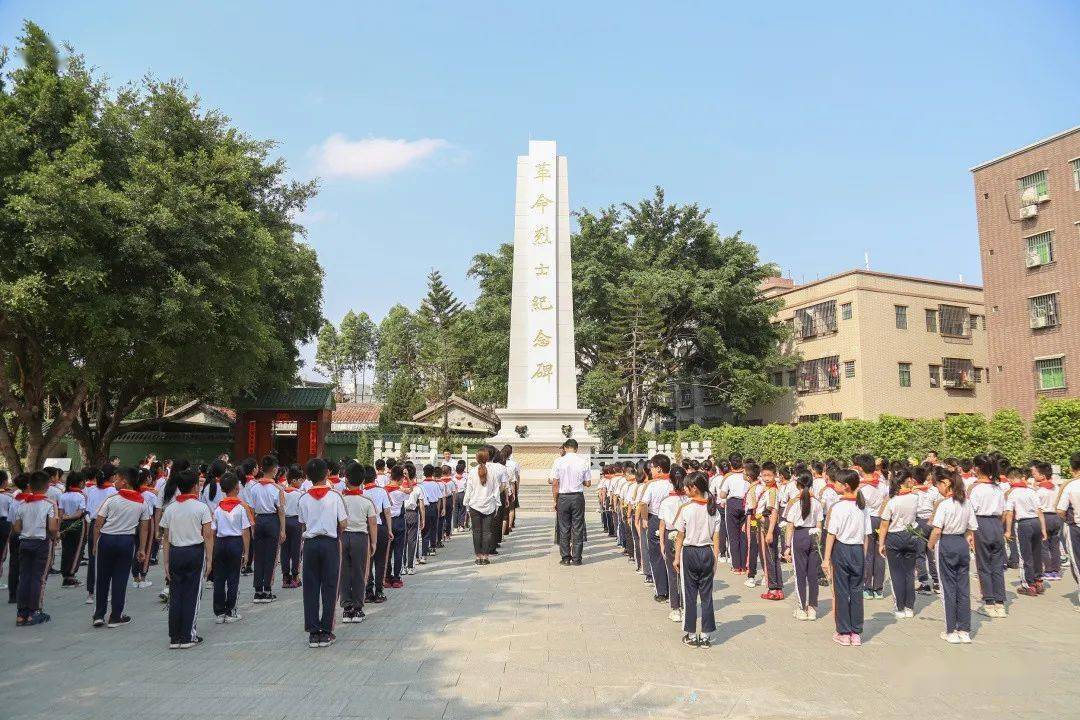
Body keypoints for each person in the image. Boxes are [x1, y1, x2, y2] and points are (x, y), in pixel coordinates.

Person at [159, 469, 213, 648]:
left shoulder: (170, 509)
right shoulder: (201, 507)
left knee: (176, 594)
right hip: (194, 552)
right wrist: (210, 559)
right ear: (195, 486)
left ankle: (175, 637)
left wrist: (166, 562)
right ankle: (188, 635)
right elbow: (208, 535)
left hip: (175, 552)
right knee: (192, 594)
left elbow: (165, 537)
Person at [92, 466, 151, 627]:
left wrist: (96, 543)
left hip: (107, 539)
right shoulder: (142, 502)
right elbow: (144, 528)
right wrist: (142, 548)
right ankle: (116, 616)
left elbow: (98, 523)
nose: (114, 482)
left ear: (124, 481)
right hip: (126, 541)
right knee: (120, 579)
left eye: (117, 479)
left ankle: (99, 615)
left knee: (102, 578)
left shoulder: (112, 499)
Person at [298, 458, 347, 648]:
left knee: (310, 588)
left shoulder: (303, 498)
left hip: (310, 544)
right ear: (327, 473)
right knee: (330, 586)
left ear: (308, 477)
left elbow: (303, 522)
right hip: (329, 544)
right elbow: (343, 523)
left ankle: (313, 632)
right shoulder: (335, 497)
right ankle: (326, 631)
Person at [927, 467, 977, 644]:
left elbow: (937, 530)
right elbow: (971, 528)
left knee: (948, 588)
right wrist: (968, 539)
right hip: (962, 544)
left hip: (947, 543)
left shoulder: (944, 505)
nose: (938, 488)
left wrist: (930, 545)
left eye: (938, 485)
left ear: (946, 483)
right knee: (963, 587)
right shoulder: (966, 503)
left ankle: (951, 630)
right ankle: (964, 629)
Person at [823, 469, 871, 647]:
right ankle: (856, 633)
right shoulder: (862, 507)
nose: (834, 484)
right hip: (858, 550)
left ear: (846, 486)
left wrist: (826, 558)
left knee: (842, 591)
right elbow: (866, 535)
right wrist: (863, 556)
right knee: (856, 591)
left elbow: (831, 534)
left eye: (837, 482)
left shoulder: (838, 507)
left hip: (841, 549)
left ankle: (843, 632)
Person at [672, 472, 721, 647]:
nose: (685, 490)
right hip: (707, 552)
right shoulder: (713, 509)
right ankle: (706, 636)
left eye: (687, 487)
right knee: (707, 596)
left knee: (690, 595)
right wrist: (715, 559)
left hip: (690, 552)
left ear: (694, 488)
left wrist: (676, 557)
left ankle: (691, 635)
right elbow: (716, 537)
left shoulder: (686, 509)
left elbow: (680, 536)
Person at [13, 471, 58, 626]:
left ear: (30, 486)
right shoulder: (50, 504)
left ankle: (21, 614)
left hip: (24, 542)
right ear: (47, 486)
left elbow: (17, 528)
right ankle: (34, 612)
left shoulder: (22, 504)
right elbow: (52, 527)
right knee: (38, 578)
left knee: (24, 577)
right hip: (41, 543)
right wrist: (55, 536)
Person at [968, 455, 1007, 617]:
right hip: (996, 524)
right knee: (997, 565)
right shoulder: (998, 488)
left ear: (977, 468)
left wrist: (970, 533)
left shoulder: (976, 489)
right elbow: (1004, 512)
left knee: (983, 564)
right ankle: (1000, 603)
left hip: (981, 524)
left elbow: (971, 512)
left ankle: (989, 603)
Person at [878, 468, 919, 620]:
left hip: (894, 536)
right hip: (911, 535)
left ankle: (900, 607)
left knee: (896, 574)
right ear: (907, 481)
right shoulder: (915, 498)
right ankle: (910, 607)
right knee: (909, 573)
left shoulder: (892, 502)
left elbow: (884, 525)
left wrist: (881, 543)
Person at [784, 470, 823, 621]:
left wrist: (787, 546)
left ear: (798, 485)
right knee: (812, 574)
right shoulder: (817, 503)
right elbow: (819, 524)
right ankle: (812, 608)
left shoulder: (794, 503)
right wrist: (818, 542)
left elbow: (790, 526)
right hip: (813, 535)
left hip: (799, 536)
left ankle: (801, 608)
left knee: (800, 574)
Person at [211, 472, 249, 624]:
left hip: (220, 543)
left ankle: (219, 613)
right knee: (233, 578)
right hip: (235, 543)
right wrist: (247, 552)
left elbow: (213, 531)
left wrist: (212, 549)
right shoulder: (240, 508)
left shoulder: (218, 509)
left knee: (219, 578)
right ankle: (230, 611)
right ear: (236, 488)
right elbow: (245, 531)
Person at [340, 467, 377, 623]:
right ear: (362, 481)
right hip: (360, 538)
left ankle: (346, 608)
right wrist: (374, 542)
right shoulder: (366, 500)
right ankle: (357, 609)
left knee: (344, 573)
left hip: (342, 537)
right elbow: (372, 523)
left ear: (346, 480)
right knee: (360, 573)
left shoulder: (340, 499)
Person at [1005, 466, 1047, 597]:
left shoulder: (1013, 493)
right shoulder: (1031, 491)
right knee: (1036, 553)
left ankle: (1028, 585)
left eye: (1009, 480)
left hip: (1023, 524)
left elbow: (1009, 513)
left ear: (1012, 479)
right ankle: (1038, 580)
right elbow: (1039, 511)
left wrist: (1008, 530)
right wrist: (1043, 529)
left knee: (1025, 555)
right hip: (1036, 522)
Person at [249, 455, 285, 603]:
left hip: (259, 520)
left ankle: (258, 591)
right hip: (272, 521)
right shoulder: (277, 488)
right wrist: (283, 529)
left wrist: (253, 526)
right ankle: (267, 590)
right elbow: (281, 510)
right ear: (275, 470)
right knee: (271, 556)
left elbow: (251, 509)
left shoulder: (254, 487)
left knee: (258, 556)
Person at [639, 454, 674, 602]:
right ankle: (674, 591)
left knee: (656, 556)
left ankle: (662, 591)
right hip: (672, 522)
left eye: (652, 467)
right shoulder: (674, 482)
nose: (651, 470)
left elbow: (643, 503)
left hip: (656, 519)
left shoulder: (652, 485)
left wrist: (644, 518)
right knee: (672, 554)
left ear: (659, 468)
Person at [551, 439, 591, 566]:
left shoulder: (558, 461)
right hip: (577, 497)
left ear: (565, 448)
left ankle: (566, 558)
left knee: (564, 528)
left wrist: (555, 500)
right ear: (576, 448)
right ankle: (577, 558)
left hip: (563, 497)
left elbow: (555, 483)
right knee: (578, 527)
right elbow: (588, 483)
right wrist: (579, 481)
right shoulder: (583, 461)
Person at [658, 465, 690, 623]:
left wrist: (662, 543)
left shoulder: (666, 501)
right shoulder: (689, 500)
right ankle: (686, 607)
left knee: (672, 573)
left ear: (670, 480)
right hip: (687, 537)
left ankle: (675, 608)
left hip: (671, 535)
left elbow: (662, 524)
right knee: (686, 574)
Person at [84, 465, 118, 605]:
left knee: (93, 559)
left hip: (93, 524)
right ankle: (106, 591)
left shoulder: (91, 489)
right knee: (108, 560)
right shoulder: (113, 491)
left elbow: (88, 509)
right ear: (112, 476)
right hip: (107, 525)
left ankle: (91, 593)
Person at [854, 454, 886, 600]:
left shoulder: (861, 487)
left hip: (867, 520)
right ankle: (878, 588)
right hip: (881, 520)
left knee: (868, 553)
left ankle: (867, 587)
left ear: (861, 468)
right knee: (880, 553)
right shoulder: (882, 484)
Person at [361, 464, 392, 603]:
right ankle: (379, 591)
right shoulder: (382, 491)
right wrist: (389, 529)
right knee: (380, 561)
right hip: (380, 527)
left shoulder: (361, 493)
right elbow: (387, 512)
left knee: (367, 561)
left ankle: (368, 592)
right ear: (375, 477)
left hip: (365, 529)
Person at [464, 448, 501, 565]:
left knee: (476, 532)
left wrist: (466, 504)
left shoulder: (472, 472)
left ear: (477, 458)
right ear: (487, 458)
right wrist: (497, 505)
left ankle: (478, 556)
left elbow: (468, 490)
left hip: (475, 505)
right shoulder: (493, 472)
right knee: (487, 532)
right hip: (489, 505)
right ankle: (485, 556)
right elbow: (496, 490)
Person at [1055, 452, 1080, 611]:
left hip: (1075, 527)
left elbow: (1060, 510)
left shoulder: (1070, 486)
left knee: (1077, 561)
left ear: (1072, 468)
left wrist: (1066, 519)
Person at [756, 462, 783, 601]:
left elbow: (774, 512)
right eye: (764, 475)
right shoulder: (767, 489)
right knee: (773, 556)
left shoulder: (772, 491)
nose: (766, 478)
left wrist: (770, 531)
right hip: (765, 522)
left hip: (767, 523)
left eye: (769, 475)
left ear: (775, 475)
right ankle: (777, 588)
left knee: (769, 557)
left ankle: (773, 588)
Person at [718, 454, 749, 574]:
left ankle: (736, 566)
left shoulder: (728, 477)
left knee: (733, 536)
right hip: (745, 504)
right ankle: (744, 566)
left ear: (730, 464)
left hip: (732, 504)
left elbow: (722, 495)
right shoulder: (747, 476)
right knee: (744, 536)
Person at [58, 471, 88, 588]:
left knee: (66, 549)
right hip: (78, 524)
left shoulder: (63, 495)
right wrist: (70, 517)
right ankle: (70, 576)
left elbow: (60, 513)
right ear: (80, 483)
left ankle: (65, 574)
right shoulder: (81, 496)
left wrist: (59, 528)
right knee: (77, 550)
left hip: (64, 524)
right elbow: (80, 513)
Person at [1034, 462, 1062, 581]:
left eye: (1036, 474)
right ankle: (1056, 570)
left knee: (1043, 544)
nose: (1034, 476)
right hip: (1056, 517)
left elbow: (1037, 508)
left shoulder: (1039, 491)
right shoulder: (1057, 488)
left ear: (1043, 476)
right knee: (1055, 545)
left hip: (1044, 517)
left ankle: (1048, 570)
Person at [280, 465, 304, 588]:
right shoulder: (300, 494)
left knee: (284, 550)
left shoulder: (282, 492)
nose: (301, 482)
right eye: (300, 480)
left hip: (284, 521)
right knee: (296, 550)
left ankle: (285, 577)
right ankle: (295, 577)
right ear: (293, 480)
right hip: (296, 522)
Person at [385, 466, 407, 589]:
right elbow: (410, 491)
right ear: (400, 478)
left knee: (387, 552)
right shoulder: (400, 491)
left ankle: (387, 577)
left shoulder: (384, 490)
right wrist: (408, 479)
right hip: (398, 522)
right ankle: (397, 578)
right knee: (398, 551)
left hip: (386, 522)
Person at [419, 465, 443, 559]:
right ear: (433, 473)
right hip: (434, 507)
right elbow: (439, 498)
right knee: (433, 527)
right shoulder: (436, 484)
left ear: (424, 473)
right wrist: (438, 509)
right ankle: (433, 547)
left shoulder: (421, 485)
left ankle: (424, 550)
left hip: (424, 507)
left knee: (425, 529)